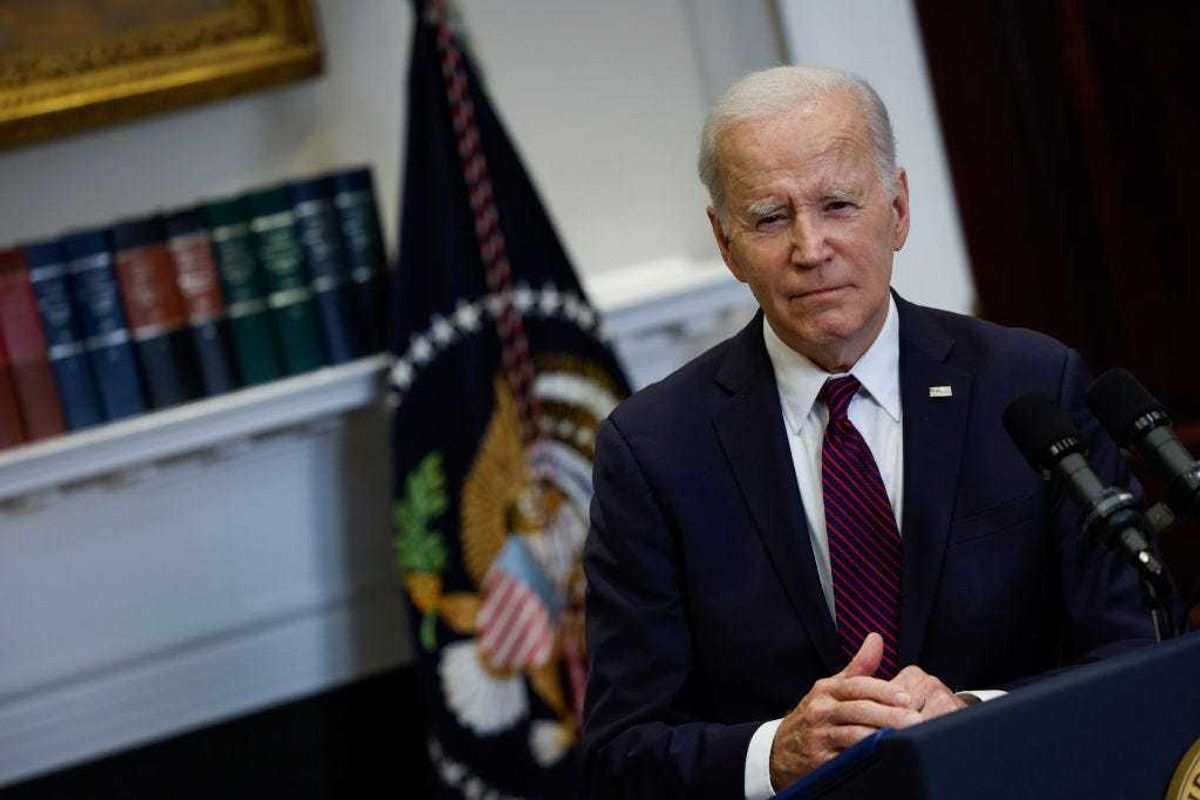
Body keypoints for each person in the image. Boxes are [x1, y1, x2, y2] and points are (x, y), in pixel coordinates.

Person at [580, 66, 1158, 799]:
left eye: (838, 204)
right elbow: (620, 754)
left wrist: (975, 715)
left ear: (899, 208)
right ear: (726, 244)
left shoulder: (1031, 387)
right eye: (768, 218)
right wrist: (774, 752)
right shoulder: (654, 449)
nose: (810, 247)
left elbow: (1133, 651)